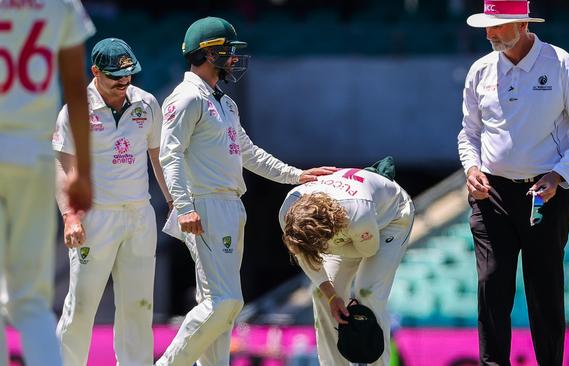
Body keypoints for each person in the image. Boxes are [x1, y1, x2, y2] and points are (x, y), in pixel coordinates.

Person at [156, 16, 337, 365]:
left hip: (229, 205)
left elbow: (249, 154)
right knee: (224, 302)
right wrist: (184, 206)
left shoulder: (224, 103)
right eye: (228, 52)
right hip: (204, 206)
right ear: (208, 54)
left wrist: (297, 176)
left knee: (220, 312)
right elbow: (170, 155)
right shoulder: (186, 98)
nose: (234, 59)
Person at [458, 1, 569, 365]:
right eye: (487, 26)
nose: (489, 33)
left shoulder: (560, 63)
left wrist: (559, 175)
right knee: (491, 285)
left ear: (522, 24)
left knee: (544, 289)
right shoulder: (480, 70)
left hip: (545, 193)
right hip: (490, 194)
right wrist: (471, 167)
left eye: (497, 26)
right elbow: (469, 133)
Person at [52, 38, 172, 366]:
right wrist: (70, 217)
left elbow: (158, 155)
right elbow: (64, 166)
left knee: (138, 308)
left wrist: (174, 200)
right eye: (116, 77)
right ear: (94, 71)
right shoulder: (76, 109)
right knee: (81, 306)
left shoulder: (146, 103)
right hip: (96, 218)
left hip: (138, 215)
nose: (124, 83)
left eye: (129, 75)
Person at [0, 1, 95, 364]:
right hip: (33, 155)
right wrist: (82, 171)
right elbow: (75, 86)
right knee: (30, 301)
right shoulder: (61, 3)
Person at [279, 165, 414, 366]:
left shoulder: (358, 212)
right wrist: (332, 295)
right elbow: (303, 254)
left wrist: (329, 249)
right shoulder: (288, 212)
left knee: (367, 293)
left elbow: (368, 251)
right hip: (347, 231)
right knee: (321, 295)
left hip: (391, 219)